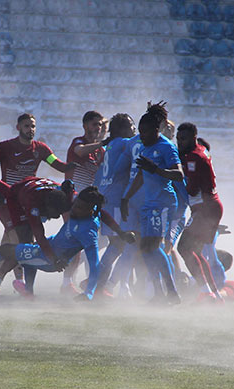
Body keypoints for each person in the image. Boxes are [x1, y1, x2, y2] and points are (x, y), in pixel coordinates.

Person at [0, 187, 135, 300]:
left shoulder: (88, 231)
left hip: (49, 260)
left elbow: (94, 264)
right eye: (75, 204)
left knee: (7, 251)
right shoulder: (93, 213)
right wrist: (121, 232)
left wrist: (89, 293)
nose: (73, 209)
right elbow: (104, 215)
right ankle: (27, 291)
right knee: (21, 251)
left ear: (89, 210)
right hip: (46, 250)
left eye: (78, 207)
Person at [0, 113, 74, 292]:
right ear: (18, 128)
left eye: (33, 126)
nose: (31, 130)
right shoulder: (5, 147)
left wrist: (71, 165)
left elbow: (59, 165)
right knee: (20, 239)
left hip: (28, 201)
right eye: (27, 126)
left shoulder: (41, 149)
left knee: (9, 241)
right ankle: (19, 281)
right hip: (7, 200)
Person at [0, 167, 75, 296]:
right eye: (54, 213)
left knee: (15, 245)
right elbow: (40, 237)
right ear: (46, 207)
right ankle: (4, 281)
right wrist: (54, 259)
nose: (55, 217)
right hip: (16, 199)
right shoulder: (32, 205)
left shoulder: (65, 194)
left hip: (33, 186)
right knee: (26, 248)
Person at [121, 102, 184, 305]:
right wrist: (126, 197)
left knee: (152, 246)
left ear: (156, 130)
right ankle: (159, 294)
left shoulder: (166, 147)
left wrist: (156, 169)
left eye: (145, 132)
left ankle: (172, 293)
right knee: (146, 248)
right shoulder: (146, 146)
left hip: (164, 203)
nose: (142, 136)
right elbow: (140, 174)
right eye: (140, 132)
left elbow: (178, 174)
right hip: (149, 203)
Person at [175, 124, 224, 302]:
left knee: (183, 248)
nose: (180, 142)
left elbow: (192, 189)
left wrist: (173, 176)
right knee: (195, 251)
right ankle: (214, 294)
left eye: (184, 139)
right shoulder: (200, 149)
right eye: (178, 139)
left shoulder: (193, 158)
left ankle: (206, 293)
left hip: (204, 209)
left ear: (193, 137)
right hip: (211, 206)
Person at [61, 110, 107, 293]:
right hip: (72, 200)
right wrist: (102, 143)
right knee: (78, 244)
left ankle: (87, 282)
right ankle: (67, 284)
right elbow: (79, 151)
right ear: (85, 126)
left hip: (89, 204)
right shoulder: (78, 142)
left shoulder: (101, 151)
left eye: (101, 125)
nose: (98, 128)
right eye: (95, 124)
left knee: (94, 243)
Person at [91, 113, 137, 294]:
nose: (135, 130)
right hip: (116, 200)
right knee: (120, 244)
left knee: (117, 244)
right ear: (123, 129)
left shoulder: (111, 145)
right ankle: (98, 285)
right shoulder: (125, 143)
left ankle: (99, 284)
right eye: (132, 126)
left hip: (107, 198)